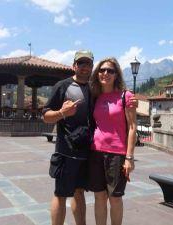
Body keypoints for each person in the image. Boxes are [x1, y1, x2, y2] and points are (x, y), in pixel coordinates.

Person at [43, 50, 94, 225]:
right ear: (74, 66)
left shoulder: (93, 89)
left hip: (86, 151)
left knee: (79, 192)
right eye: (81, 63)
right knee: (61, 194)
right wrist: (62, 113)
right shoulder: (62, 86)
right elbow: (46, 116)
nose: (85, 67)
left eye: (88, 64)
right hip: (65, 151)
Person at [89, 57, 137, 225]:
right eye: (102, 70)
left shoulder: (126, 96)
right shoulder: (96, 96)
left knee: (115, 198)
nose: (105, 73)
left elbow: (132, 128)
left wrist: (129, 158)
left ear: (117, 75)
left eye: (110, 70)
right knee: (99, 197)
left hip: (117, 154)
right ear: (97, 74)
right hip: (95, 152)